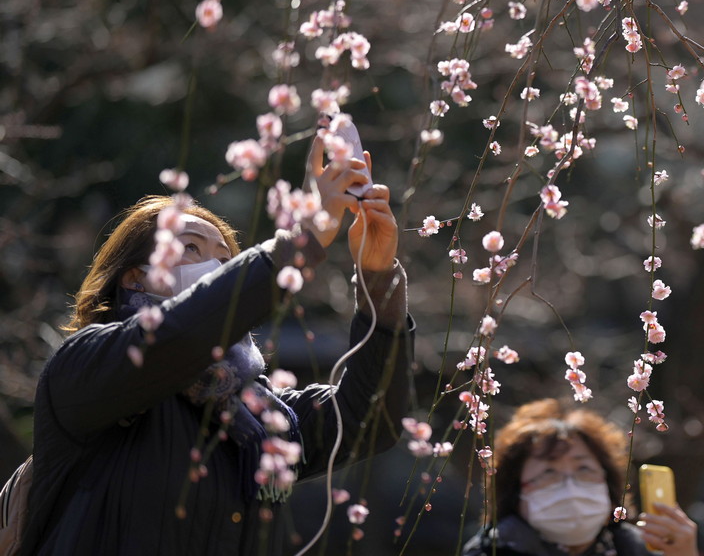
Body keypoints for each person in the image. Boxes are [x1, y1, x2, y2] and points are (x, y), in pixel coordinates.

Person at [21, 140, 413, 555]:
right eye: (190, 248)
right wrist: (304, 240)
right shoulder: (87, 368)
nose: (211, 266)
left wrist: (378, 278)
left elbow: (370, 419)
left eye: (224, 261)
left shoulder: (258, 415)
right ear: (134, 278)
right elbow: (179, 337)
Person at [462, 398, 699, 556]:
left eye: (584, 469)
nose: (570, 488)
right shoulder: (487, 551)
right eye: (548, 472)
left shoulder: (638, 549)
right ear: (515, 494)